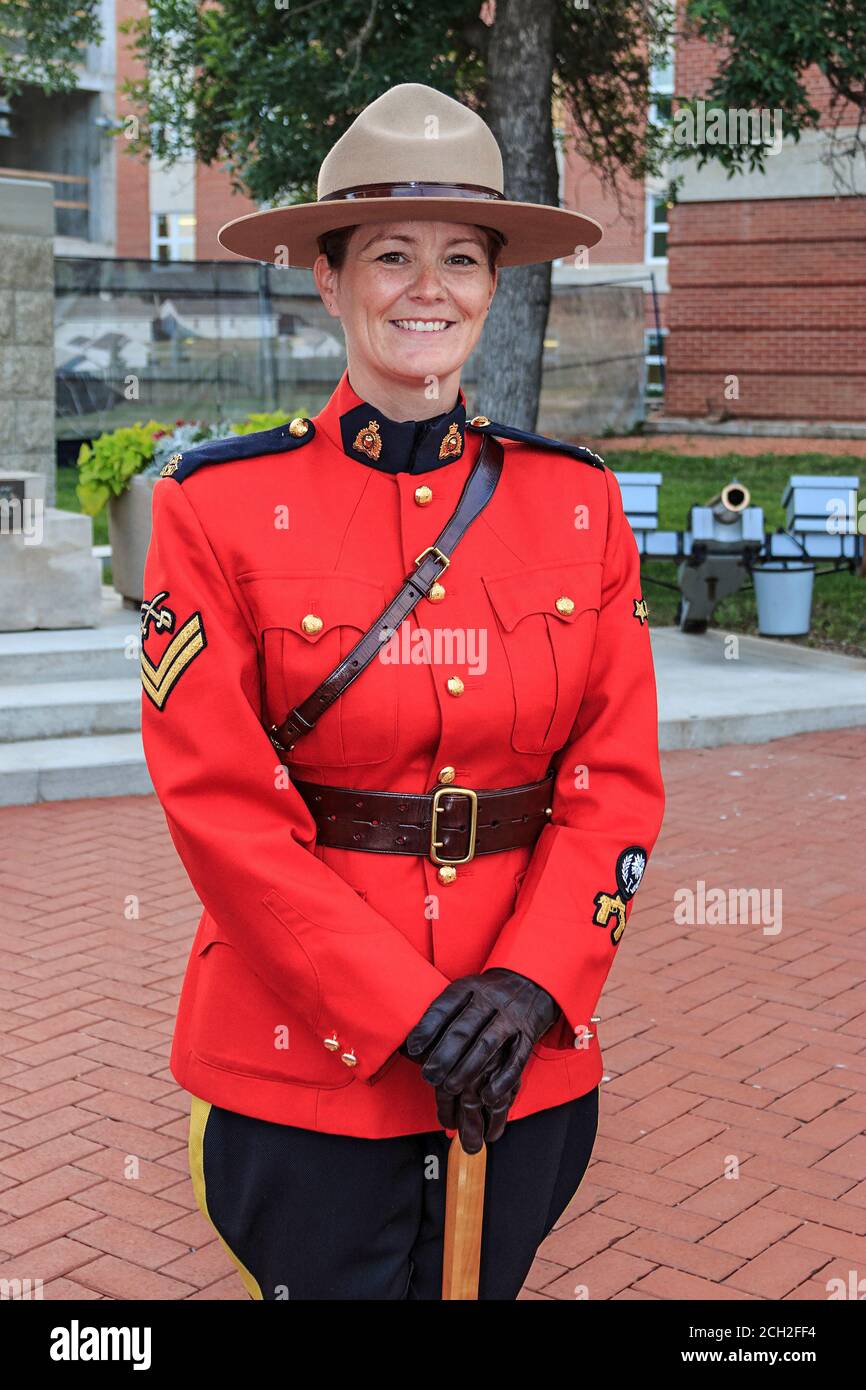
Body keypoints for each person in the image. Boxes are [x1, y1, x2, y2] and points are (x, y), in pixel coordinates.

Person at [140, 82, 665, 1301]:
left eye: (461, 258)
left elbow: (615, 780)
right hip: (309, 1061)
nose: (428, 288)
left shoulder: (573, 502)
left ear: (492, 284)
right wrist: (404, 1013)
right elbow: (219, 805)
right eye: (389, 254)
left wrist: (532, 983)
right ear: (328, 277)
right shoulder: (215, 506)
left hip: (518, 1049)